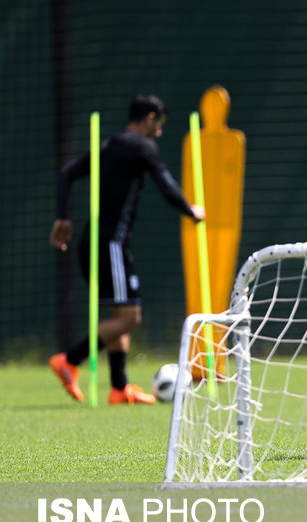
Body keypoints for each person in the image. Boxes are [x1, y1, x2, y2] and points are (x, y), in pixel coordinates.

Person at [48, 93, 206, 404]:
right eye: (159, 125)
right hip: (111, 244)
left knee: (121, 313)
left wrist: (62, 217)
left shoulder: (110, 146)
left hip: (94, 242)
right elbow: (166, 185)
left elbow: (66, 174)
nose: (159, 132)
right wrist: (191, 211)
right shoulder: (143, 147)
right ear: (150, 118)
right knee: (131, 318)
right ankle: (69, 360)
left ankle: (119, 388)